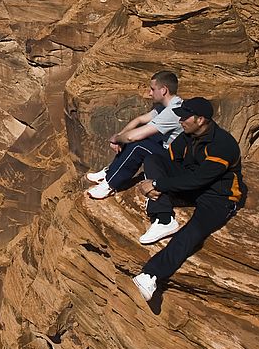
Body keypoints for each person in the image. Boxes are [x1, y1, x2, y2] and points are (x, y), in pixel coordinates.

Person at [132, 97, 247, 302]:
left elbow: (198, 180)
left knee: (193, 232)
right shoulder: (189, 135)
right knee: (153, 159)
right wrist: (156, 183)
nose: (180, 121)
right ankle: (165, 219)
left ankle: (151, 274)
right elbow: (167, 161)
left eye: (185, 117)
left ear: (201, 119)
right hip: (194, 185)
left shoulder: (223, 145)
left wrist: (157, 185)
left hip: (219, 196)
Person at [86, 71, 183, 199]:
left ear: (164, 90)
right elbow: (139, 120)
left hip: (175, 162)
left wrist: (116, 139)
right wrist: (120, 135)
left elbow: (133, 137)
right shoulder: (166, 106)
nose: (149, 93)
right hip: (167, 151)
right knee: (133, 136)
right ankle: (110, 171)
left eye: (152, 89)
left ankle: (110, 184)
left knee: (138, 145)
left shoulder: (172, 111)